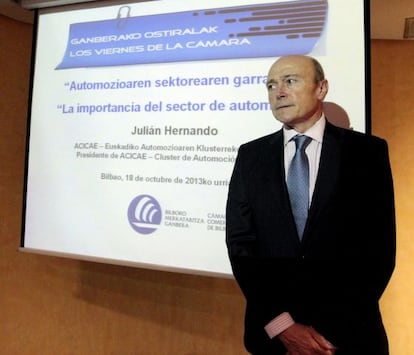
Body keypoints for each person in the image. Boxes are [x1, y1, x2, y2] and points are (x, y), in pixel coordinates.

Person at [225, 55, 396, 355]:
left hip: (346, 339)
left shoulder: (367, 153)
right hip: (274, 340)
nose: (278, 92)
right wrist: (284, 327)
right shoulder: (251, 156)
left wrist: (322, 339)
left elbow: (379, 252)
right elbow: (241, 248)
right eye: (271, 85)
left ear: (321, 89)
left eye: (290, 81)